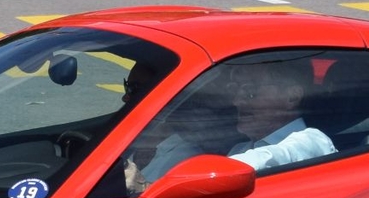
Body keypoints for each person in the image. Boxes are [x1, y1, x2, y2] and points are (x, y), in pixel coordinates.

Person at [140, 55, 337, 187]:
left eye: (251, 92)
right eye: (236, 91)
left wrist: (150, 185)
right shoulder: (240, 149)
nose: (237, 101)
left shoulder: (311, 141)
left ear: (292, 98)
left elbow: (267, 159)